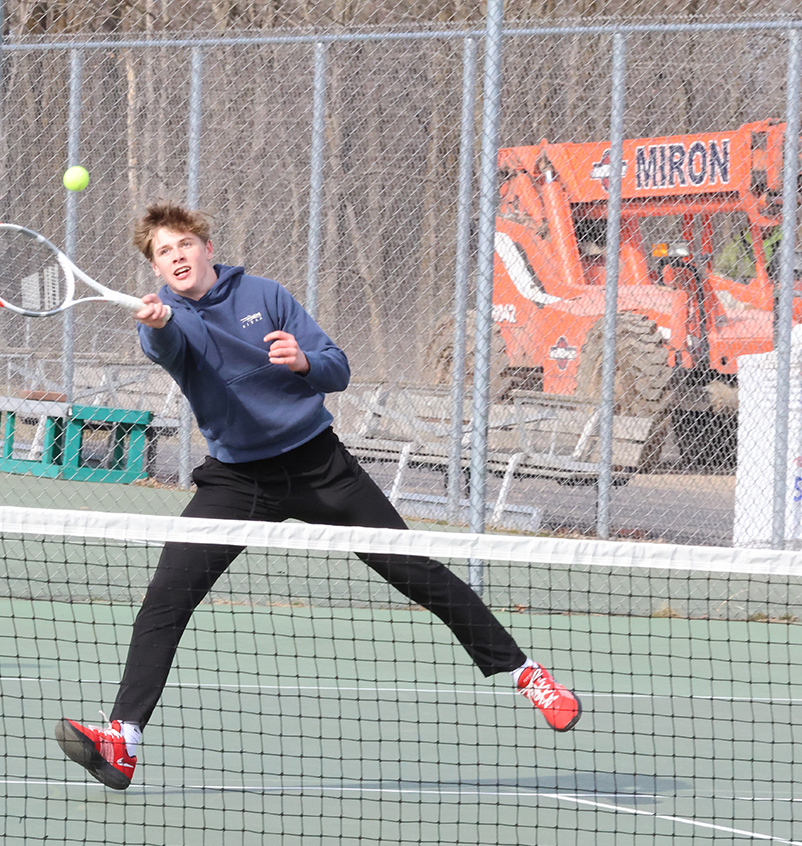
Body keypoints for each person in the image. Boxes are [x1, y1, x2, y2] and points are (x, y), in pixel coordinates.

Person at [55, 202, 581, 790]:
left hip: (318, 465)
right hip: (236, 481)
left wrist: (305, 362)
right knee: (166, 597)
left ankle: (525, 672)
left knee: (419, 572)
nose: (175, 257)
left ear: (205, 246)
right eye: (162, 253)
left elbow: (338, 367)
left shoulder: (265, 295)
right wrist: (157, 327)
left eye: (182, 245)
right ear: (155, 268)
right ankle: (123, 740)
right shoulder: (164, 318)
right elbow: (169, 350)